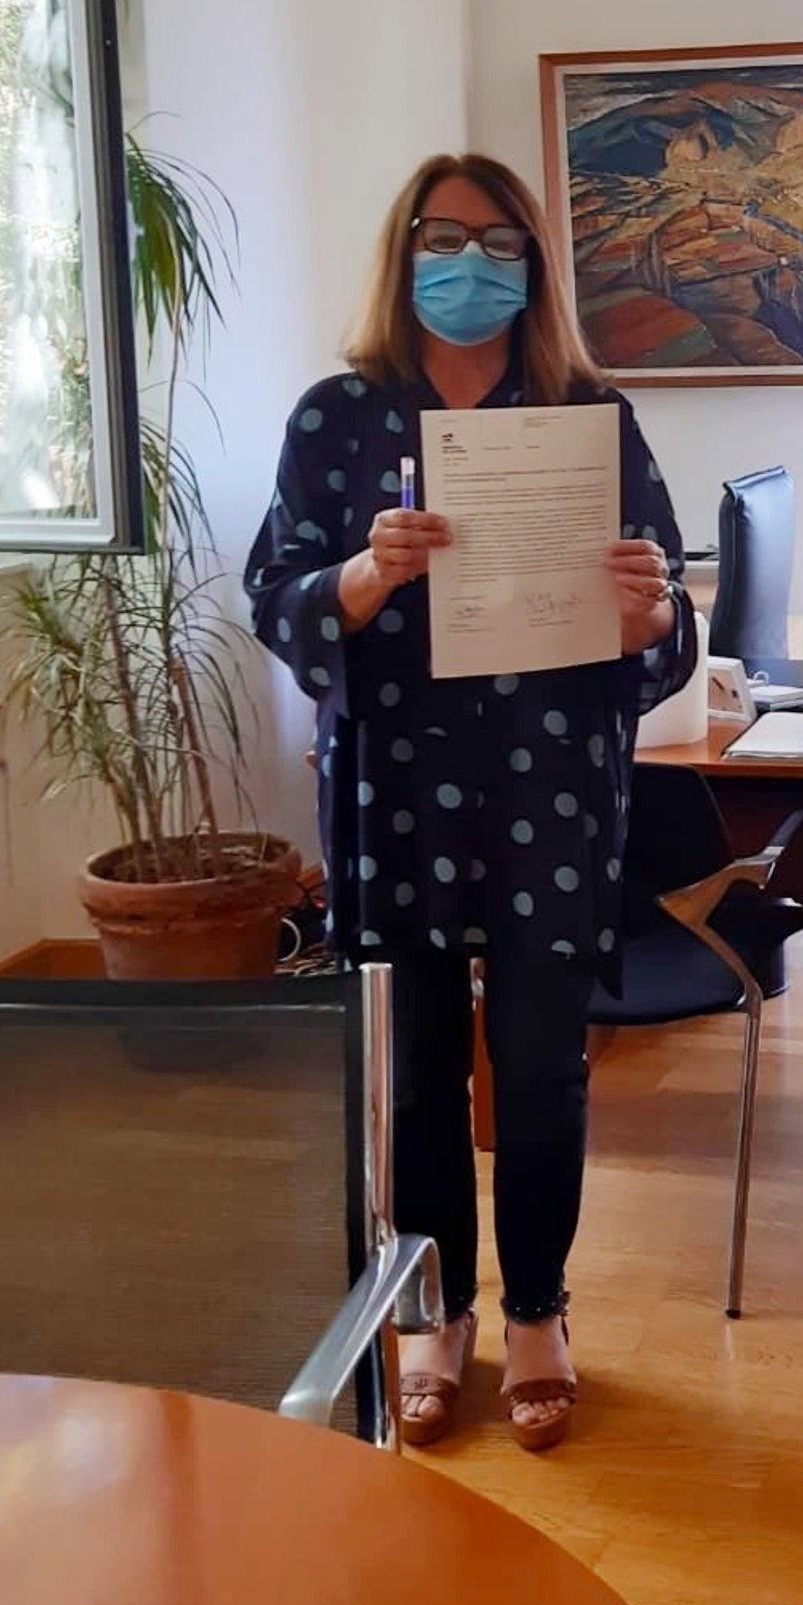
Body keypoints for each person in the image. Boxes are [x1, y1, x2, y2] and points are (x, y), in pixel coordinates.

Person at [247, 152, 695, 1451]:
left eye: (501, 243)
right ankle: (435, 1313)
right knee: (419, 1074)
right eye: (445, 238)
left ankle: (540, 1311)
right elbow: (275, 591)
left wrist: (651, 613)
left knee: (544, 1065)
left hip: (550, 785)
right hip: (394, 789)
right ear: (404, 252)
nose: (471, 265)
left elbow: (665, 613)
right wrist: (360, 579)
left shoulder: (588, 416)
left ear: (535, 265)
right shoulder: (336, 419)